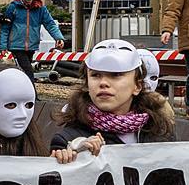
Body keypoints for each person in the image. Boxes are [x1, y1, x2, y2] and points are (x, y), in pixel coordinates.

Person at [50, 39, 180, 150]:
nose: (103, 83)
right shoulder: (68, 140)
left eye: (116, 75)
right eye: (95, 75)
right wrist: (74, 155)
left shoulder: (160, 131)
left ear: (138, 86)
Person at [1, 0, 65, 75]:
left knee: (23, 72)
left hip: (31, 46)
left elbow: (50, 23)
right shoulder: (13, 7)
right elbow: (5, 27)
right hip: (16, 46)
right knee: (28, 71)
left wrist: (58, 37)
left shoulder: (41, 8)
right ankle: (31, 90)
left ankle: (21, 89)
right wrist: (3, 46)